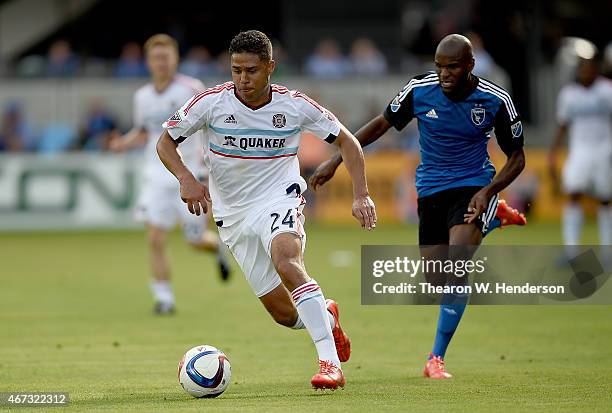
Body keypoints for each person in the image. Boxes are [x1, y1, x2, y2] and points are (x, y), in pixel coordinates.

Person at [156, 30, 376, 390]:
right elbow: (166, 142)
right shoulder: (211, 103)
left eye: (252, 70)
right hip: (233, 217)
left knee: (287, 260)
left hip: (279, 198)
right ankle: (327, 317)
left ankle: (329, 364)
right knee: (284, 315)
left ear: (270, 67)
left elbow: (347, 141)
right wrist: (185, 177)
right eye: (236, 70)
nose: (243, 79)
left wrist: (361, 194)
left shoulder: (294, 105)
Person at [309, 34, 527, 379]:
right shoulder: (418, 90)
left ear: (470, 65)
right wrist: (337, 159)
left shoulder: (495, 99)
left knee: (457, 268)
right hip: (430, 191)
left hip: (473, 187)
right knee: (436, 277)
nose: (444, 73)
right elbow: (382, 123)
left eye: (452, 66)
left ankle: (435, 358)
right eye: (439, 66)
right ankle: (494, 218)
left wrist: (489, 190)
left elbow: (517, 157)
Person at [109, 34, 230, 315]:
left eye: (166, 57)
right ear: (148, 62)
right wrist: (121, 144)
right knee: (154, 238)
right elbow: (144, 132)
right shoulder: (142, 96)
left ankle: (216, 250)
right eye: (156, 58)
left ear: (175, 59)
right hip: (155, 175)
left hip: (189, 174)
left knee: (195, 241)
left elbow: (206, 128)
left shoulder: (191, 88)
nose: (161, 63)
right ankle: (164, 299)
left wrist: (204, 170)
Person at [549, 57, 612, 252]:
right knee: (573, 194)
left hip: (604, 150)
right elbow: (563, 124)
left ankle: (607, 251)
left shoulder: (607, 90)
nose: (585, 73)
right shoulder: (569, 94)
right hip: (579, 151)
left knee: (605, 198)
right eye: (582, 69)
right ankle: (571, 250)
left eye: (589, 69)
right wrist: (553, 152)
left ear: (596, 71)